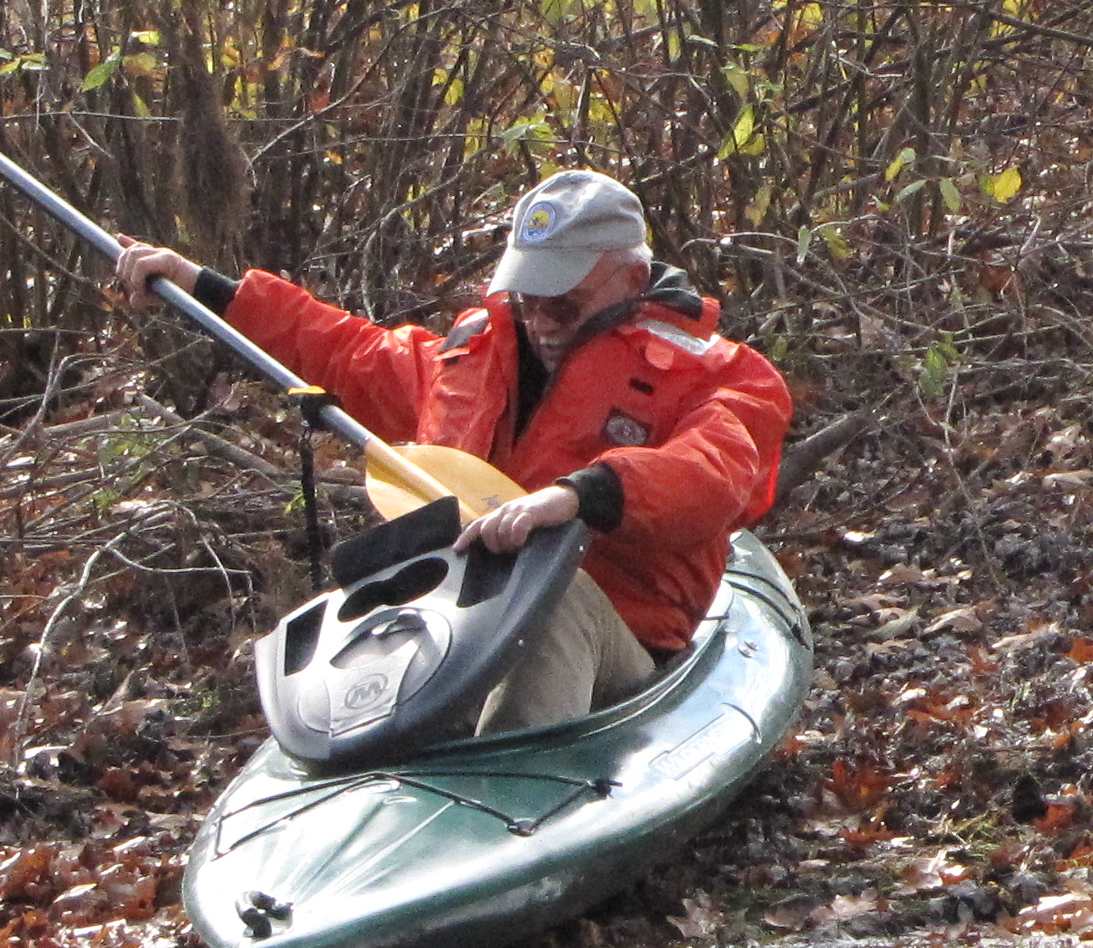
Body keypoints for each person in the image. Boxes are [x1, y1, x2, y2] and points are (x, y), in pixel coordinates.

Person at [112, 170, 789, 731]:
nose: (540, 323)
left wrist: (583, 494)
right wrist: (205, 287)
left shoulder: (729, 377)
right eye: (527, 301)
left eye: (563, 304)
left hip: (611, 636)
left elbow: (713, 475)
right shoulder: (475, 353)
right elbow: (348, 354)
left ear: (632, 279)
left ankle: (508, 809)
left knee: (548, 605)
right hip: (458, 620)